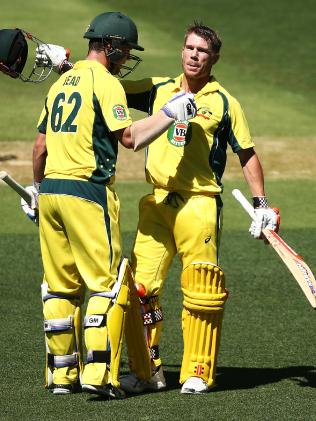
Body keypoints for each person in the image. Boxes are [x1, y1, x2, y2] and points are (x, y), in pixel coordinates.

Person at [29, 21, 280, 395]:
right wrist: (66, 65)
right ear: (182, 51)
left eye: (202, 51)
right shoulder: (158, 88)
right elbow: (104, 85)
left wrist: (261, 205)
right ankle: (148, 371)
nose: (194, 55)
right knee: (139, 290)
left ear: (214, 59)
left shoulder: (225, 102)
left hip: (200, 203)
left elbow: (247, 155)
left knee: (201, 288)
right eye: (189, 48)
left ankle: (198, 369)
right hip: (157, 202)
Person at [29, 11, 196, 398]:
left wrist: (37, 190)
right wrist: (170, 114)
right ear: (111, 46)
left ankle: (61, 377)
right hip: (87, 192)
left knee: (59, 289)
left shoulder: (59, 86)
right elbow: (130, 138)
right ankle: (100, 373)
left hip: (51, 190)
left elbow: (40, 147)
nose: (125, 59)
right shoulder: (105, 83)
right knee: (106, 286)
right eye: (124, 51)